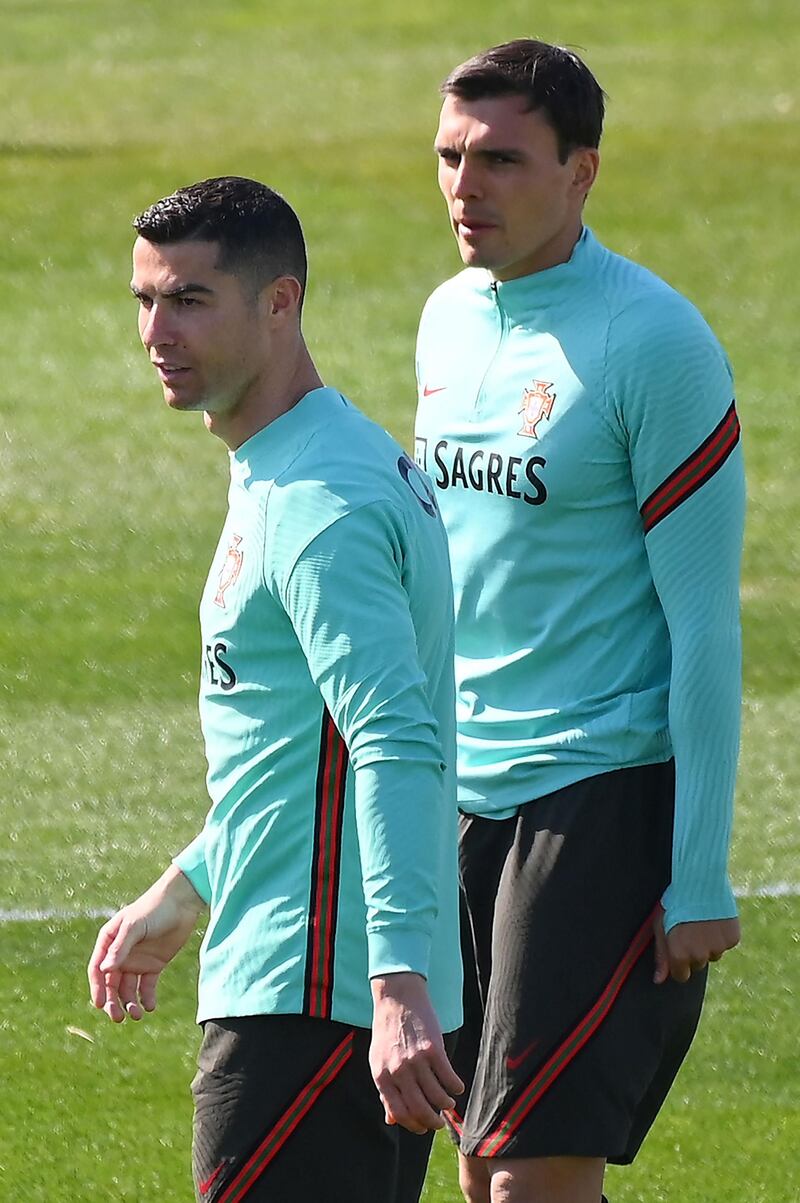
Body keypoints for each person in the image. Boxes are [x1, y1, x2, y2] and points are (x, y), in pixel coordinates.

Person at [87, 175, 464, 1203]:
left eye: (190, 300)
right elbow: (306, 746)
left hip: (316, 1000)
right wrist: (193, 886)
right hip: (309, 978)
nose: (155, 331)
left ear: (279, 303)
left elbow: (391, 738)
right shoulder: (300, 462)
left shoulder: (319, 503)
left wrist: (393, 988)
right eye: (145, 300)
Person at [414, 40, 744, 1203]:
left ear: (580, 171)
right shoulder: (448, 320)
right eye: (451, 156)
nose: (466, 185)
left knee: (528, 1177)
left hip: (601, 795)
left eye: (501, 159)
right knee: (478, 1159)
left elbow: (704, 624)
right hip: (464, 785)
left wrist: (696, 870)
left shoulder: (652, 343)